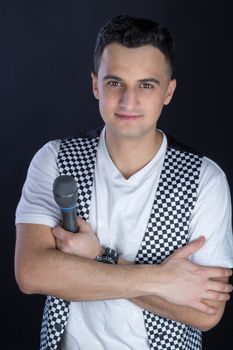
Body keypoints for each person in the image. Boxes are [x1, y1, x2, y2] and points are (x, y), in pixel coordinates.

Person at [15, 14, 233, 350]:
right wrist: (164, 280)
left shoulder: (205, 179)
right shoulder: (55, 160)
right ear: (95, 85)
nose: (129, 101)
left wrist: (100, 257)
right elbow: (32, 274)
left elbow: (206, 312)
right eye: (115, 82)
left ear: (169, 91)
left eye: (146, 85)